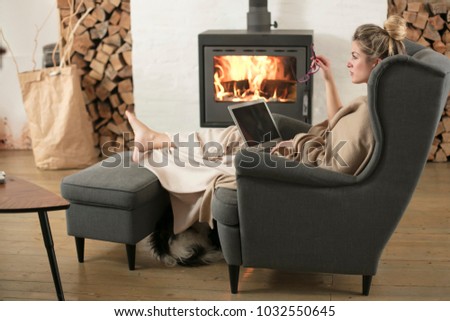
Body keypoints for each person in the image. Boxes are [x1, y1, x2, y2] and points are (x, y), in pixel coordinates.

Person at [125, 15, 407, 237]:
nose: (349, 62)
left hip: (296, 168)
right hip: (297, 153)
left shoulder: (370, 114)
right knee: (233, 136)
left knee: (220, 159)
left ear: (377, 63)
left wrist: (289, 153)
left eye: (355, 56)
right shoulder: (370, 103)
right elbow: (336, 127)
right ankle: (158, 139)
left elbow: (336, 171)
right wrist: (330, 79)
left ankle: (158, 147)